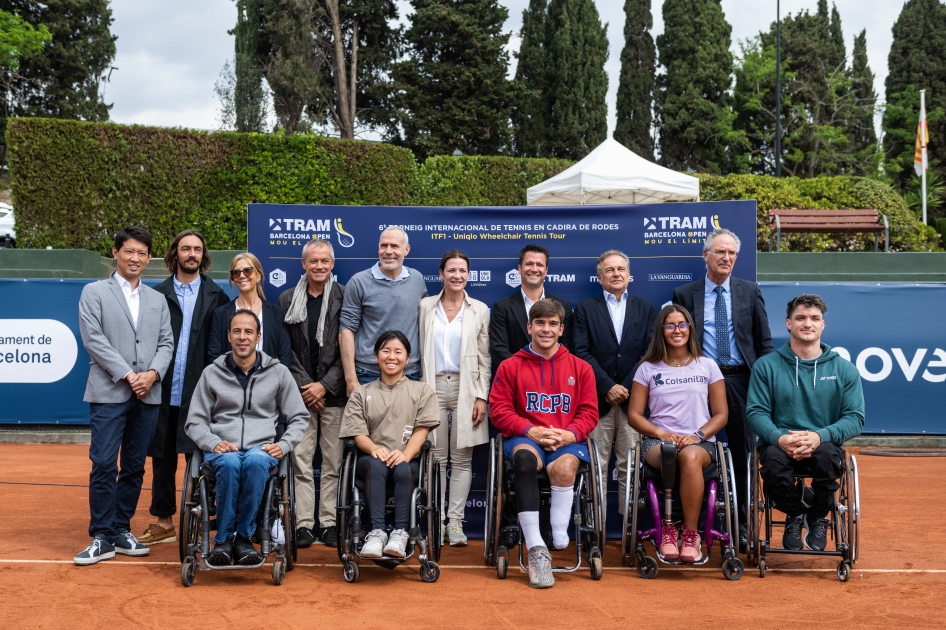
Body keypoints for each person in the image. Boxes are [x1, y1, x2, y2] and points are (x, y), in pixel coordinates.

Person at [75, 226, 174, 565]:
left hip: (148, 394)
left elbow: (166, 344)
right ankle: (101, 536)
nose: (135, 258)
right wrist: (131, 375)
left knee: (133, 466)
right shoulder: (93, 292)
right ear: (116, 252)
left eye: (142, 253)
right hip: (108, 392)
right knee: (103, 463)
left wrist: (152, 374)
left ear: (149, 258)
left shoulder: (157, 299)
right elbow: (93, 340)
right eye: (129, 251)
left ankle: (120, 529)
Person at [672, 227, 773, 550]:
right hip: (698, 383)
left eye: (731, 253)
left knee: (744, 455)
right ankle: (698, 527)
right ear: (706, 255)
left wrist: (766, 380)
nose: (726, 258)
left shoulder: (749, 290)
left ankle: (742, 526)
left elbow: (764, 343)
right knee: (695, 453)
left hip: (741, 380)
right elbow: (676, 341)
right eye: (720, 252)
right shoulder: (685, 294)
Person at [184, 309, 309, 566]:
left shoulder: (278, 372)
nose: (243, 337)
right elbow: (194, 421)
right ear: (229, 336)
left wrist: (283, 445)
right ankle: (224, 540)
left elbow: (298, 417)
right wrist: (212, 442)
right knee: (230, 463)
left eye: (249, 332)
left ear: (258, 337)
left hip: (260, 448)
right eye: (237, 331)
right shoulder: (211, 373)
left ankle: (243, 537)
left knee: (254, 461)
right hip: (222, 449)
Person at [488, 299, 598, 589]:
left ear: (561, 329)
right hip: (526, 437)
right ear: (529, 327)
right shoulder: (510, 366)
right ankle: (536, 549)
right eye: (540, 323)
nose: (545, 329)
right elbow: (499, 410)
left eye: (552, 324)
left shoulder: (581, 368)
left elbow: (589, 412)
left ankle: (560, 533)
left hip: (565, 438)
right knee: (523, 462)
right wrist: (530, 430)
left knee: (565, 469)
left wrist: (570, 434)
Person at [746, 294, 864, 552]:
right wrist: (780, 438)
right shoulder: (766, 366)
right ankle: (795, 514)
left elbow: (855, 418)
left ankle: (818, 515)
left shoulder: (845, 369)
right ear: (788, 323)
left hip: (823, 444)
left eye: (814, 318)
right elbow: (756, 412)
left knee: (827, 458)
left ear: (823, 325)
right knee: (774, 463)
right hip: (779, 443)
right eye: (800, 317)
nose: (807, 323)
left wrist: (819, 437)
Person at [141, 230, 229, 546]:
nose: (191, 253)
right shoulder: (155, 294)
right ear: (175, 253)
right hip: (163, 390)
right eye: (185, 248)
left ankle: (203, 519)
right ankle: (164, 522)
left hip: (201, 394)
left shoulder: (217, 296)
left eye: (196, 249)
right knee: (162, 458)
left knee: (203, 459)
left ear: (203, 256)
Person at [627, 305, 728, 563]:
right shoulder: (647, 368)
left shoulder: (707, 365)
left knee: (690, 457)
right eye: (670, 325)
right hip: (659, 442)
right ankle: (669, 531)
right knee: (671, 452)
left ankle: (691, 534)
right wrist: (661, 433)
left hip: (700, 442)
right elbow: (635, 415)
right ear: (662, 330)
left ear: (690, 328)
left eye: (682, 324)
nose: (677, 330)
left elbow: (721, 414)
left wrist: (697, 435)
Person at [339, 331, 440, 559]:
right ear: (376, 357)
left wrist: (405, 454)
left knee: (404, 468)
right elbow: (357, 433)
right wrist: (374, 448)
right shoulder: (361, 394)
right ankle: (375, 533)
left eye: (398, 352)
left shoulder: (422, 391)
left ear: (408, 357)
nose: (391, 357)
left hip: (407, 459)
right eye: (385, 351)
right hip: (370, 460)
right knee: (376, 465)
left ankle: (400, 533)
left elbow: (422, 431)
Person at [573, 250, 656, 515]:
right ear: (599, 277)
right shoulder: (586, 308)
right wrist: (607, 386)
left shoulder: (646, 308)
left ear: (630, 275)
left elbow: (649, 352)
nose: (616, 274)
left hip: (634, 402)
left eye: (621, 269)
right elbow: (581, 352)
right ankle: (594, 529)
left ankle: (627, 534)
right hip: (598, 401)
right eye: (609, 270)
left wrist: (627, 386)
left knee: (630, 468)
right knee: (595, 465)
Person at [278, 239, 347, 548]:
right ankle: (304, 524)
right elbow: (285, 350)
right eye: (313, 261)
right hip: (300, 395)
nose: (319, 266)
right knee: (301, 462)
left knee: (333, 464)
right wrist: (308, 387)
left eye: (325, 261)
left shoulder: (346, 297)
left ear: (332, 264)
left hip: (336, 394)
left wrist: (326, 385)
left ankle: (330, 523)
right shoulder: (287, 299)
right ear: (303, 264)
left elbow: (351, 349)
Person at [418, 250, 491, 546]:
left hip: (467, 386)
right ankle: (436, 520)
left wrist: (481, 396)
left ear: (468, 275)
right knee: (436, 457)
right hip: (431, 385)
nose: (457, 275)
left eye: (462, 270)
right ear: (441, 274)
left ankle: (456, 524)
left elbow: (485, 356)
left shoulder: (480, 309)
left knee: (462, 459)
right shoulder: (425, 306)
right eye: (451, 270)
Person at [340, 226, 428, 395]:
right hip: (368, 374)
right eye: (384, 246)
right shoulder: (359, 282)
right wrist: (351, 379)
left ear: (406, 250)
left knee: (407, 422)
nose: (388, 251)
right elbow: (346, 331)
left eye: (394, 246)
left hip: (409, 373)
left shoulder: (417, 279)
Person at [489, 244, 573, 379]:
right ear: (519, 269)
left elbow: (568, 347)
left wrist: (547, 371)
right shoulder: (502, 307)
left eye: (539, 265)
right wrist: (526, 373)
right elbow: (499, 349)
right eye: (529, 264)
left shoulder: (564, 306)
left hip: (554, 379)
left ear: (546, 270)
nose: (534, 269)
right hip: (516, 380)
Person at [207, 252, 291, 366]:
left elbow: (284, 355)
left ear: (258, 275)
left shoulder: (276, 313)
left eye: (247, 271)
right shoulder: (221, 314)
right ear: (232, 278)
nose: (242, 275)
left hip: (269, 381)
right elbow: (214, 355)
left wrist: (273, 381)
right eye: (236, 273)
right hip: (230, 381)